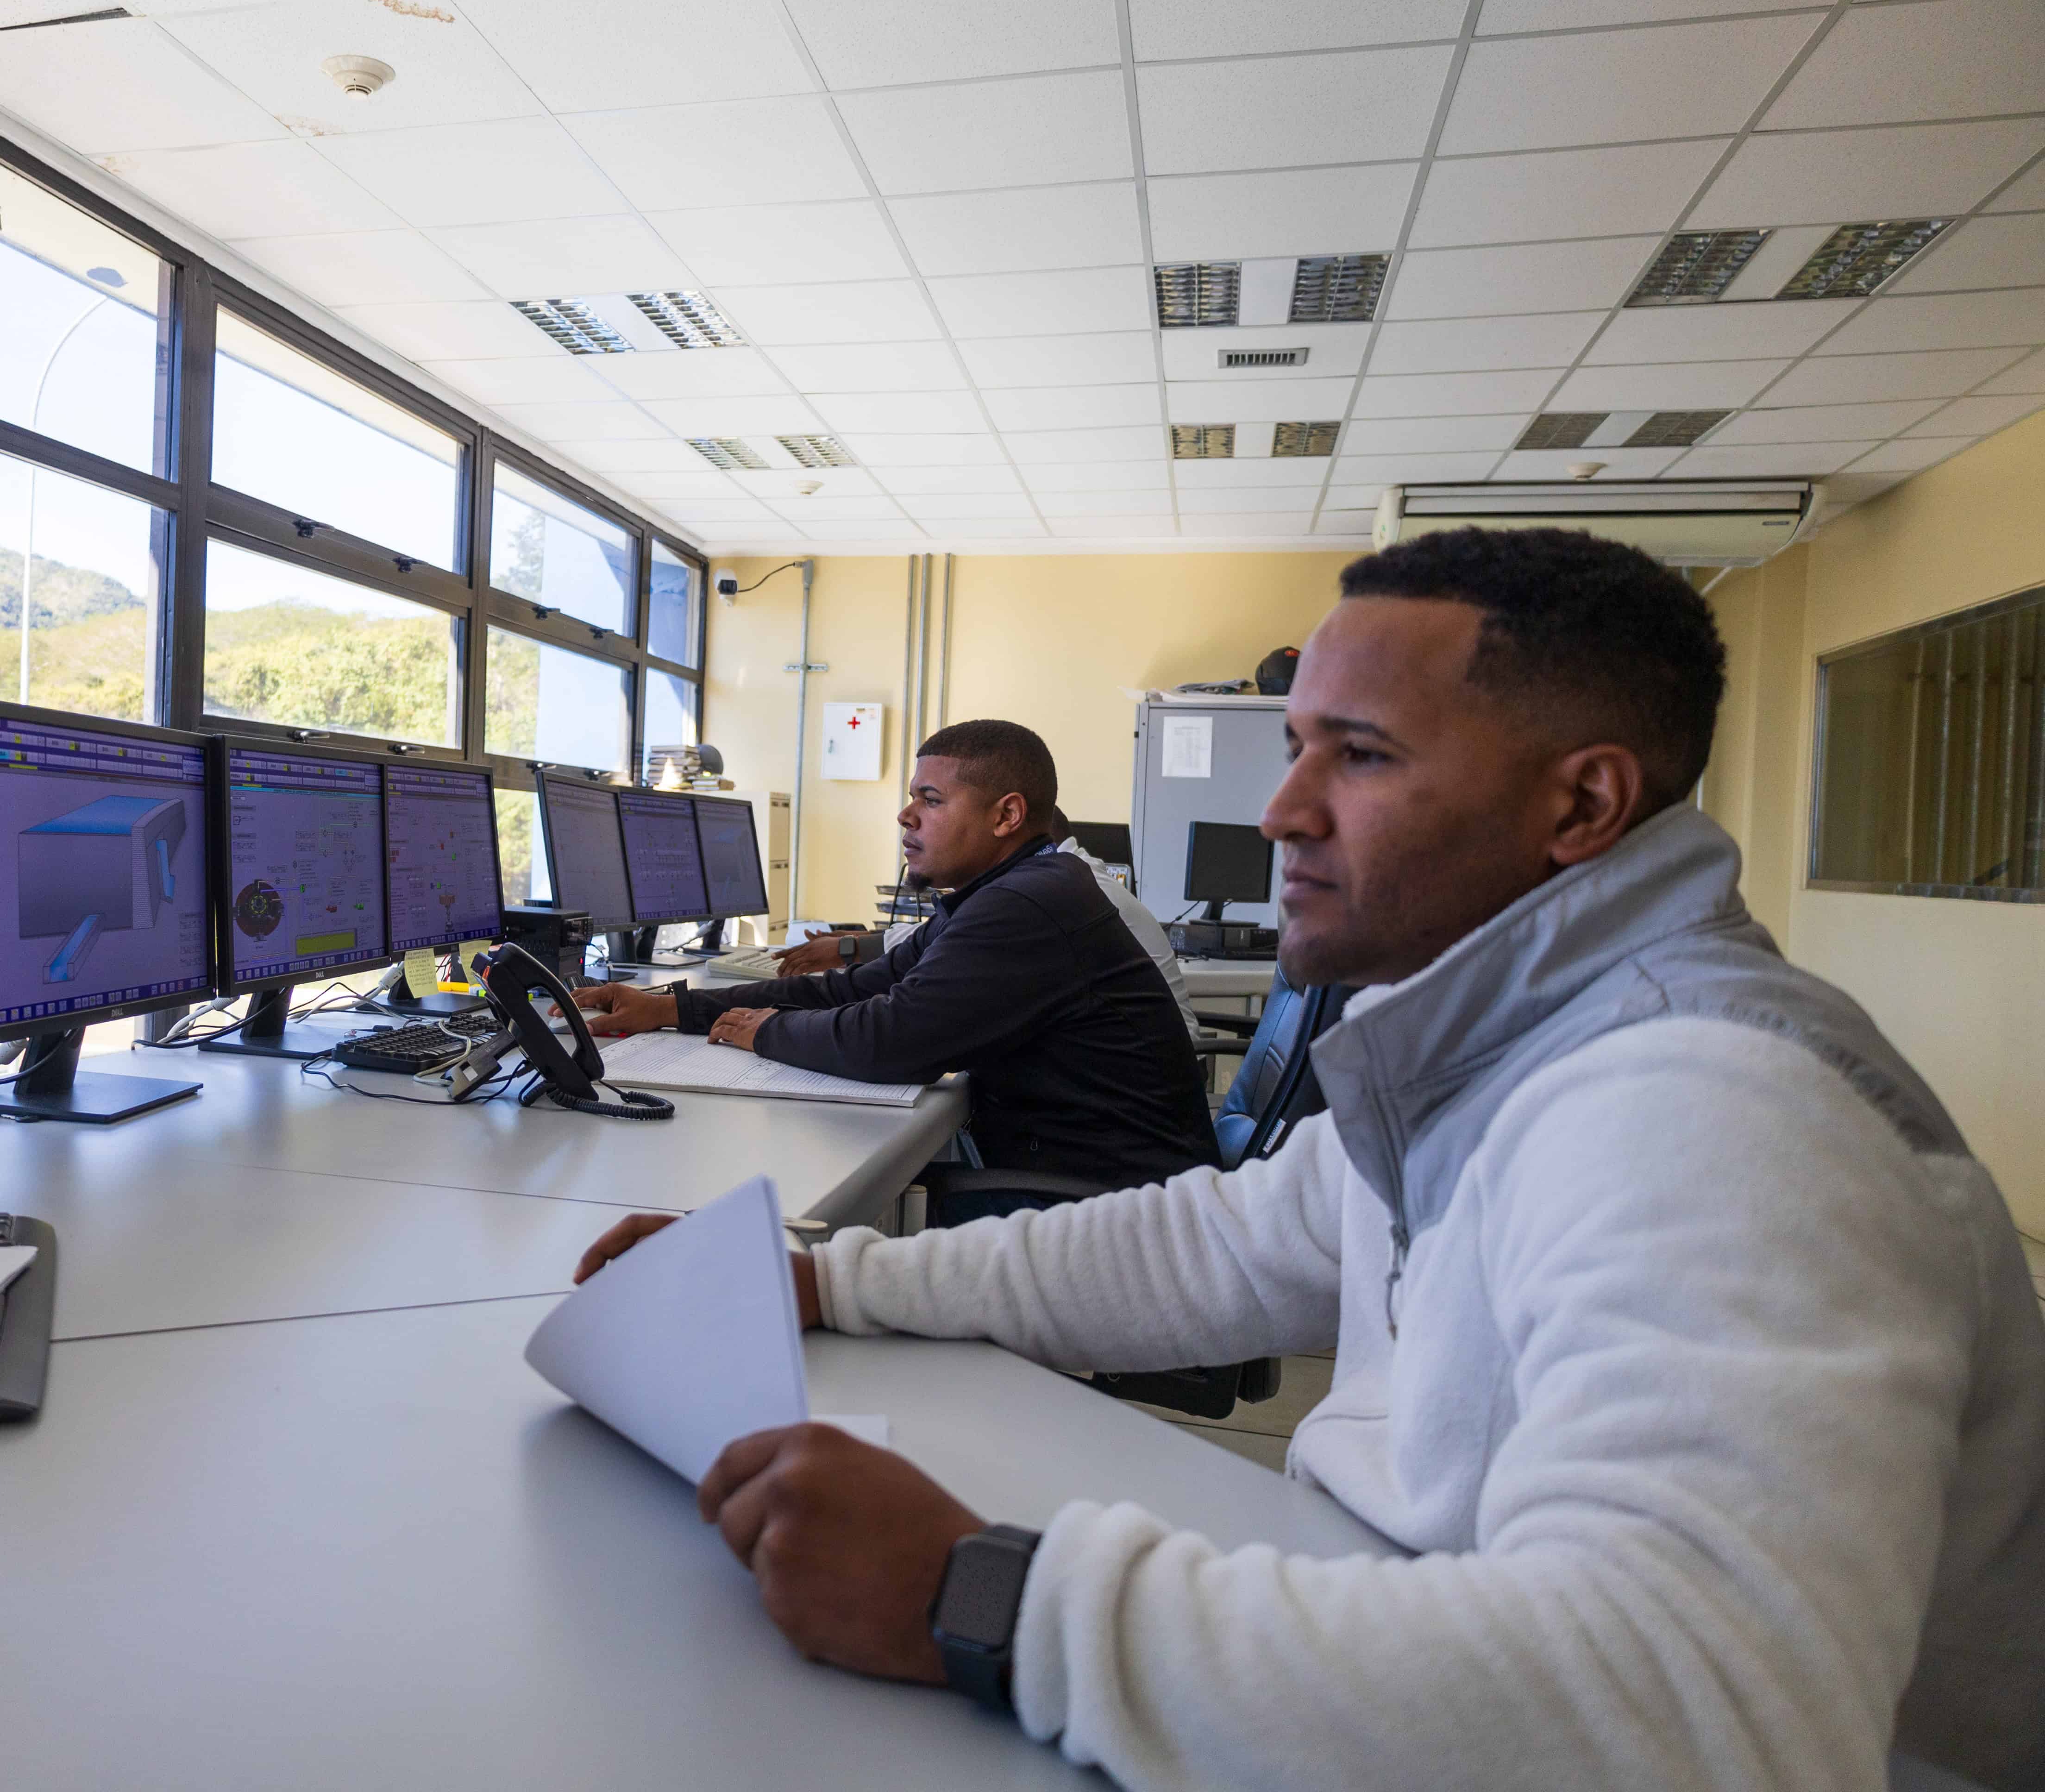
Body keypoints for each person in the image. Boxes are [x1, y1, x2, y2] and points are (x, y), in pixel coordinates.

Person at [571, 528, 2045, 1791]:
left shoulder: (1711, 1101)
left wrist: (991, 1598)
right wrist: (835, 1280)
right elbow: (1215, 1247)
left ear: (1579, 805)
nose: (1279, 812)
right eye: (1295, 751)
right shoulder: (1515, 1033)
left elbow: (1688, 1712)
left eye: (1360, 756)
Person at [571, 720, 1215, 1199]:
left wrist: (765, 1032)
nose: (905, 815)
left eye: (931, 800)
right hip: (1082, 1177)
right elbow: (856, 989)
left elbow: (890, 1039)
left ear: (1007, 816)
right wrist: (670, 1007)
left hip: (1115, 1211)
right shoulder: (1003, 893)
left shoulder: (1031, 902)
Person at [773, 806, 1197, 1033]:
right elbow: (937, 939)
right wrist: (860, 944)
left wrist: (773, 1029)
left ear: (1009, 826)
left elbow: (905, 1029)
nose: (911, 817)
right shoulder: (1066, 876)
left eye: (935, 801)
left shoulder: (1067, 890)